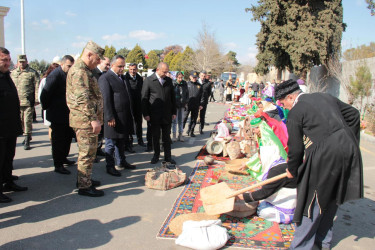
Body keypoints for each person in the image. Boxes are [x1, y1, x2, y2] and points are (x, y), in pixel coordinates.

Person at [275, 79, 363, 249]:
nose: (284, 107)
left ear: (291, 97)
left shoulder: (296, 111)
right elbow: (353, 115)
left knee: (312, 200)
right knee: (332, 197)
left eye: (283, 103)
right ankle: (322, 243)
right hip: (349, 150)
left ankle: (301, 246)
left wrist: (292, 170)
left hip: (325, 156)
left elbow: (295, 148)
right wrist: (348, 140)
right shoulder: (325, 97)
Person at [66, 41, 105, 197]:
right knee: (87, 153)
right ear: (89, 55)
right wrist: (93, 119)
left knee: (89, 152)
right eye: (97, 59)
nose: (99, 62)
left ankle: (84, 179)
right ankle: (84, 186)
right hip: (85, 120)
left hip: (86, 119)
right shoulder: (79, 71)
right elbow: (82, 98)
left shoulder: (85, 70)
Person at [99, 55, 136, 177]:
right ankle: (110, 166)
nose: (122, 68)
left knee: (121, 141)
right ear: (112, 65)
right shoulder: (106, 78)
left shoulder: (122, 78)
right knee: (110, 143)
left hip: (123, 116)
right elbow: (106, 99)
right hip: (113, 117)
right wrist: (109, 116)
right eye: (120, 66)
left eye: (123, 66)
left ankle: (121, 162)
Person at [0, 47, 28, 203]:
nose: (7, 63)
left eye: (8, 60)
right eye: (4, 60)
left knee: (8, 157)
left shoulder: (6, 76)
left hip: (10, 127)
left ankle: (8, 182)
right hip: (1, 129)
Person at [40, 55, 75, 175]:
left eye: (72, 66)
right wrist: (48, 108)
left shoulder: (67, 75)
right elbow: (45, 95)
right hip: (57, 115)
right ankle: (58, 164)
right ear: (62, 64)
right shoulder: (55, 75)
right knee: (58, 141)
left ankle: (63, 158)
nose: (70, 69)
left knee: (67, 139)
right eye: (68, 66)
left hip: (66, 114)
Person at [141, 62, 177, 164]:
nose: (166, 74)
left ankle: (168, 157)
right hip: (154, 114)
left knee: (166, 137)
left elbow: (172, 97)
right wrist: (146, 114)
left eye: (167, 72)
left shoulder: (168, 80)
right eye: (164, 72)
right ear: (158, 70)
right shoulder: (149, 80)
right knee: (155, 137)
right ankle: (156, 155)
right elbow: (144, 98)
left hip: (167, 114)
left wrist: (174, 111)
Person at [10, 54, 40, 150]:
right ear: (18, 62)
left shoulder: (32, 73)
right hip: (16, 102)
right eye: (20, 61)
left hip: (28, 102)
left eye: (23, 61)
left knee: (27, 120)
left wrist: (36, 99)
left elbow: (37, 86)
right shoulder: (13, 73)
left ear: (26, 61)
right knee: (21, 121)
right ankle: (27, 134)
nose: (22, 63)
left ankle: (27, 139)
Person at [92, 57, 110, 160]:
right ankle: (92, 153)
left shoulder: (105, 74)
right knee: (94, 133)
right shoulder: (93, 73)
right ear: (100, 62)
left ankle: (98, 149)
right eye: (106, 64)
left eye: (109, 65)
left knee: (100, 132)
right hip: (95, 108)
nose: (108, 67)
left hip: (102, 108)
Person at [125, 63, 145, 150]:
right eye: (131, 69)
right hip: (129, 104)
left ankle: (140, 140)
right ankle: (129, 142)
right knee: (129, 122)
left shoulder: (140, 79)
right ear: (128, 69)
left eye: (134, 69)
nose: (132, 71)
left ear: (136, 69)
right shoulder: (125, 78)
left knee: (139, 122)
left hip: (138, 103)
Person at [183, 71, 203, 137]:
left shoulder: (199, 85)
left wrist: (201, 104)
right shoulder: (186, 84)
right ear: (190, 77)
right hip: (187, 105)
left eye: (195, 77)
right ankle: (181, 132)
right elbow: (183, 94)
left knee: (194, 119)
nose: (194, 78)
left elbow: (201, 96)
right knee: (184, 118)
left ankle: (191, 131)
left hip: (196, 105)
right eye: (193, 77)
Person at [172, 71, 189, 142]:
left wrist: (186, 102)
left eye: (181, 77)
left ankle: (180, 134)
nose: (180, 79)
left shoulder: (185, 84)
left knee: (181, 120)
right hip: (175, 105)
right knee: (174, 121)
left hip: (182, 105)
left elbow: (187, 94)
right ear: (176, 77)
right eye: (179, 78)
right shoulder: (173, 84)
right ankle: (174, 135)